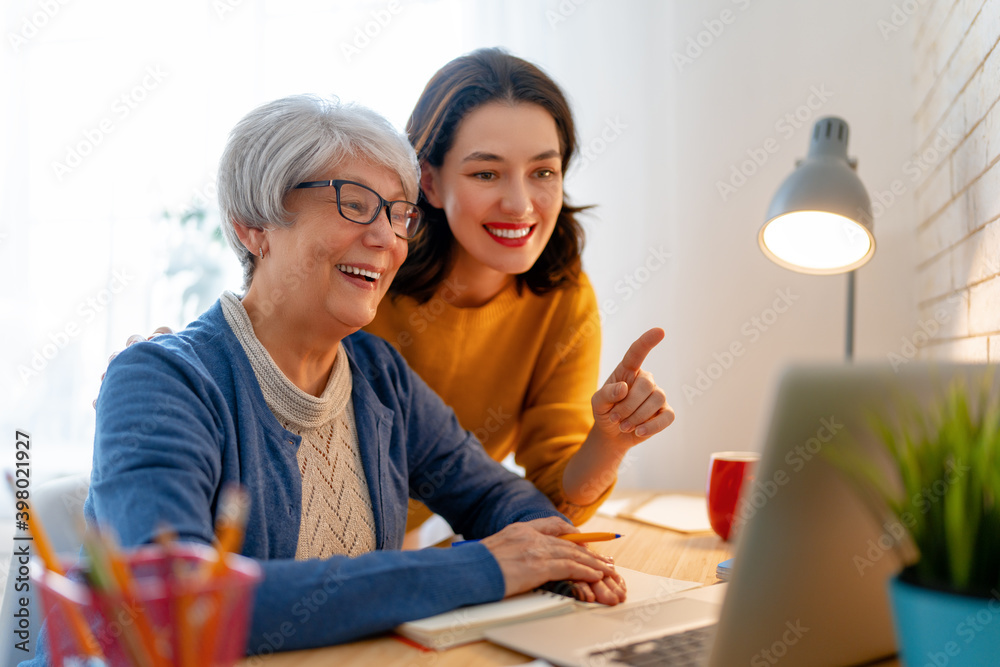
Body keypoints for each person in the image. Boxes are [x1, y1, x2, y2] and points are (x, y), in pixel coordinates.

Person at [25, 94, 626, 665]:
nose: (386, 238)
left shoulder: (379, 375)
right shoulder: (161, 381)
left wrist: (554, 555)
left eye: (397, 213)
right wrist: (480, 569)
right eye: (355, 203)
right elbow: (182, 601)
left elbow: (494, 495)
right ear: (253, 226)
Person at [365, 47, 675, 534]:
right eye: (485, 173)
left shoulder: (561, 294)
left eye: (543, 172)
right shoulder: (368, 278)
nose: (519, 204)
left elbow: (556, 500)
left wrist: (610, 442)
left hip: (397, 548)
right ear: (429, 180)